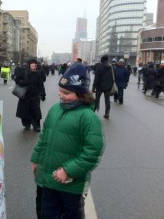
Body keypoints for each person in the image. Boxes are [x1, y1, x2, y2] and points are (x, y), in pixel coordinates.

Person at [31, 64, 104, 219]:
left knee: (71, 214)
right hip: (49, 180)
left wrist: (68, 171)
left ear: (81, 93)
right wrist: (36, 159)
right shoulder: (55, 109)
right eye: (60, 90)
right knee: (47, 213)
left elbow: (92, 152)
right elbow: (44, 137)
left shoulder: (88, 117)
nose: (61, 95)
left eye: (67, 92)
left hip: (70, 185)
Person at [15, 59, 46, 132]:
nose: (33, 66)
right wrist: (23, 82)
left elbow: (41, 84)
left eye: (35, 65)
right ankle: (26, 124)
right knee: (24, 111)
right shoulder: (24, 72)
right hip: (25, 96)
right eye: (32, 64)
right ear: (29, 65)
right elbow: (17, 80)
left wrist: (43, 93)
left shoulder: (38, 74)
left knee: (36, 111)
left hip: (35, 95)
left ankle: (36, 126)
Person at [92, 55, 114, 119]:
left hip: (99, 87)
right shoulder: (111, 67)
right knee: (107, 100)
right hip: (108, 87)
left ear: (101, 59)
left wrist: (94, 87)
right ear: (107, 60)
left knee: (96, 99)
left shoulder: (99, 67)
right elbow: (113, 77)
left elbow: (96, 78)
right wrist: (110, 86)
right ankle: (107, 113)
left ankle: (93, 111)